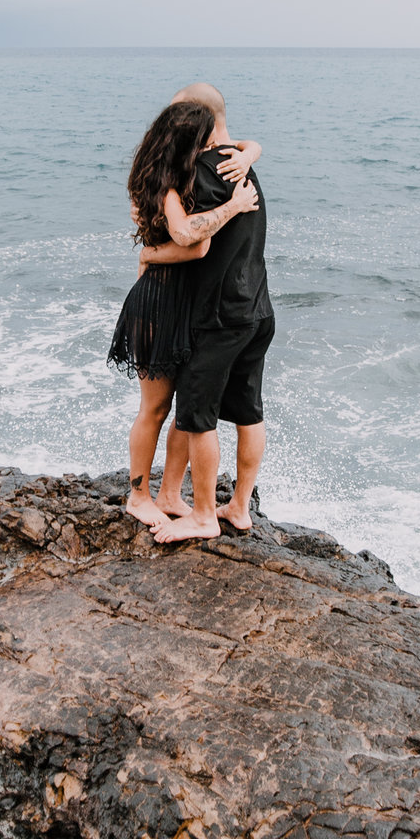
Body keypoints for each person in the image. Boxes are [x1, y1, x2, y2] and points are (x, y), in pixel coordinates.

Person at [108, 98, 260, 532]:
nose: (212, 146)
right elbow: (192, 240)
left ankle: (171, 492)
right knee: (154, 408)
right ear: (187, 141)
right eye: (204, 139)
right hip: (157, 303)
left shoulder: (177, 173)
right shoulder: (164, 185)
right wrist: (234, 206)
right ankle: (139, 495)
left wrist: (250, 152)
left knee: (185, 409)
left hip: (185, 304)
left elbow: (241, 142)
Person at [153, 82, 272, 543]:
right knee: (248, 411)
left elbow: (193, 240)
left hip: (220, 315)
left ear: (195, 121)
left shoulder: (208, 169)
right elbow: (248, 145)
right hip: (258, 308)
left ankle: (203, 515)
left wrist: (152, 255)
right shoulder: (243, 161)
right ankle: (239, 507)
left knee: (197, 415)